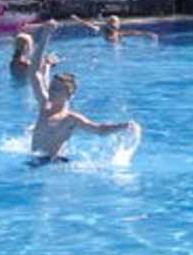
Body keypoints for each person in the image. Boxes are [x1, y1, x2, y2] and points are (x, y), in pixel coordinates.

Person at [20, 24, 133, 163]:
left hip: (52, 164)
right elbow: (34, 73)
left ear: (69, 95)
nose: (51, 91)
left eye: (57, 89)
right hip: (34, 161)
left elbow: (99, 130)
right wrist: (45, 36)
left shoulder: (71, 118)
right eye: (51, 87)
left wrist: (124, 126)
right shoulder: (45, 105)